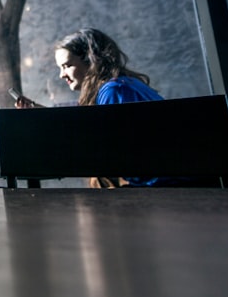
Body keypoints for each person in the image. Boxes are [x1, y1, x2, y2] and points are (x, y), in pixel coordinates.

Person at [15, 28, 166, 187]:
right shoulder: (120, 85)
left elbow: (101, 148)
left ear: (92, 61)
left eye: (67, 65)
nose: (61, 75)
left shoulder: (115, 91)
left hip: (158, 188)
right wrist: (41, 113)